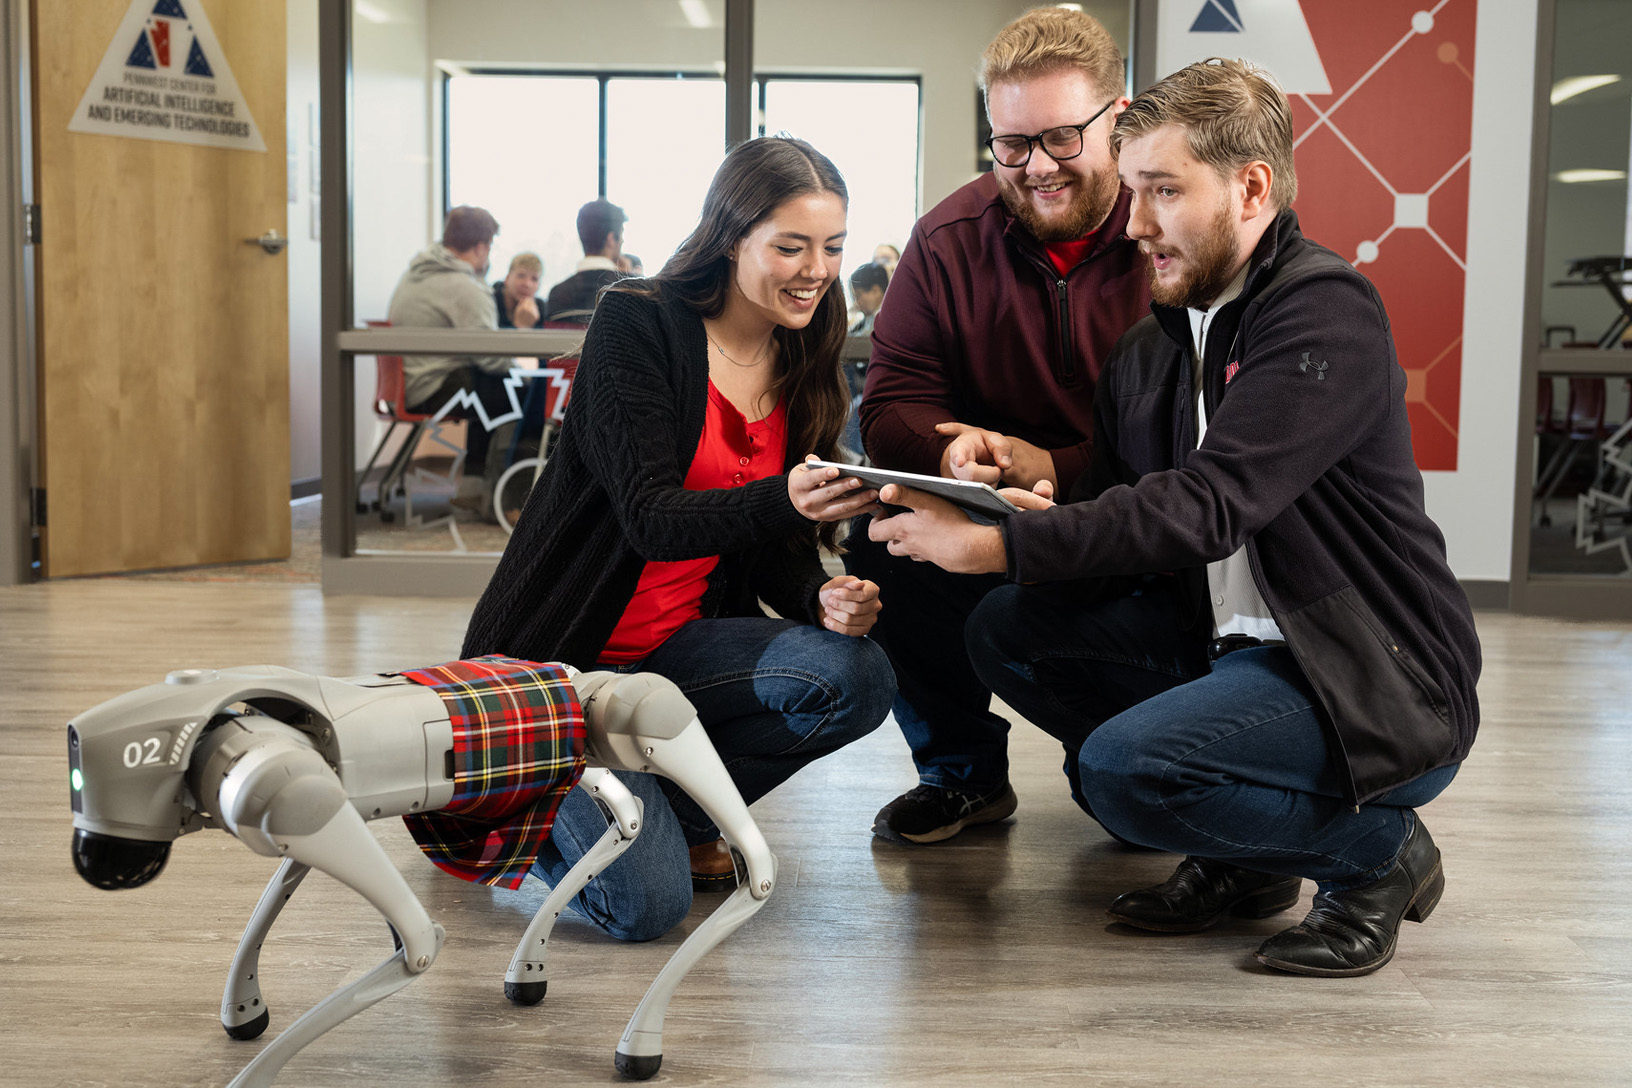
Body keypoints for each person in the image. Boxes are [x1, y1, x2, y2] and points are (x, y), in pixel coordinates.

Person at [866, 58, 1482, 978]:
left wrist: (998, 543)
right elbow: (1122, 517)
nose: (1136, 220)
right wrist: (1017, 492)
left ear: (1252, 188)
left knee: (1126, 773)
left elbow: (1207, 506)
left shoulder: (1322, 313)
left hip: (1369, 675)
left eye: (1162, 191)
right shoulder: (1154, 348)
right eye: (1135, 190)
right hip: (1228, 650)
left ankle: (1376, 856)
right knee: (1007, 628)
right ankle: (1244, 857)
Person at [461, 136, 896, 941]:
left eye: (832, 247)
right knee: (647, 909)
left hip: (674, 658)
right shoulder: (640, 320)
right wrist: (787, 499)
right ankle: (509, 812)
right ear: (732, 239)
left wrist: (817, 594)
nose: (817, 270)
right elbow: (652, 519)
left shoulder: (802, 345)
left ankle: (672, 813)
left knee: (856, 675)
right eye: (791, 247)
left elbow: (770, 545)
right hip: (564, 665)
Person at [852, 6, 1152, 845]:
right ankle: (961, 774)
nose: (1036, 168)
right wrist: (952, 448)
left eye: (1061, 139)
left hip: (1131, 518)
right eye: (1010, 144)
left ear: (1117, 121)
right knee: (887, 535)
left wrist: (1050, 463)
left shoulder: (1164, 234)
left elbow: (1191, 442)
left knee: (1133, 807)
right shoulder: (946, 240)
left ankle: (1116, 763)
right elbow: (889, 404)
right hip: (987, 510)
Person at [386, 205, 514, 514]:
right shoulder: (464, 286)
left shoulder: (415, 274)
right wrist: (522, 367)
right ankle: (510, 499)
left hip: (407, 385)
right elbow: (492, 357)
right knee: (513, 390)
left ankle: (473, 486)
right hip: (431, 388)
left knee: (487, 386)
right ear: (482, 247)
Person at [546, 198, 628, 322]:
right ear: (611, 239)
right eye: (621, 234)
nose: (622, 241)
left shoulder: (556, 295)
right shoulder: (632, 291)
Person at [494, 252, 546, 329]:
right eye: (521, 276)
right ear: (507, 279)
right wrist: (522, 327)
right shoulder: (491, 302)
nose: (527, 284)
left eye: (534, 279)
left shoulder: (541, 308)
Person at [848, 261, 889, 337]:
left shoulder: (888, 321)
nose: (856, 303)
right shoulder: (867, 319)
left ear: (875, 291)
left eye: (858, 295)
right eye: (854, 298)